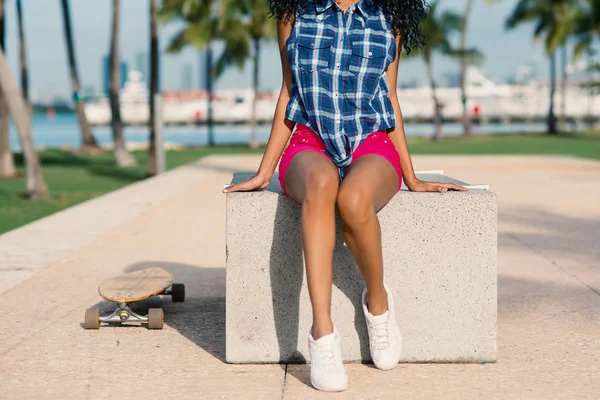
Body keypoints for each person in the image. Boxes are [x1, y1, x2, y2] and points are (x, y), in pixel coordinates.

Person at [223, 0, 466, 391]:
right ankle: (323, 335)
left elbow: (389, 96)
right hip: (309, 141)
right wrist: (264, 171)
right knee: (321, 185)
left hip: (371, 140)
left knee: (353, 200)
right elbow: (289, 92)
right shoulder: (294, 12)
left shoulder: (388, 15)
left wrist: (412, 176)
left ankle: (379, 303)